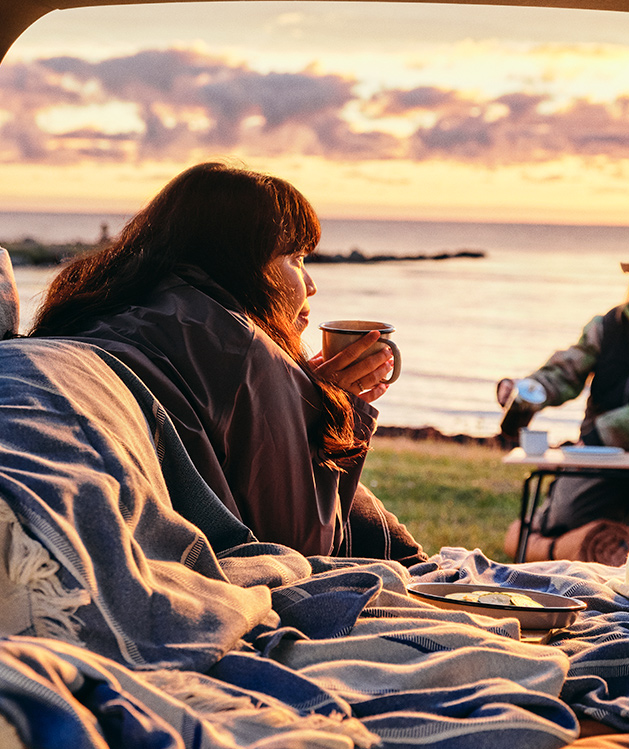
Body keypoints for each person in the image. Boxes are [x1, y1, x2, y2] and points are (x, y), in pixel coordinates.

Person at [29, 160, 427, 565]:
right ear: (240, 264)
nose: (310, 285)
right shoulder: (242, 346)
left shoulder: (101, 307)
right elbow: (299, 548)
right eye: (295, 258)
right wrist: (332, 410)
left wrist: (299, 401)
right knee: (381, 533)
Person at [497, 240, 629, 562]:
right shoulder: (605, 326)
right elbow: (566, 372)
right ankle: (624, 522)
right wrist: (526, 390)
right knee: (564, 520)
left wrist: (609, 430)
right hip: (600, 451)